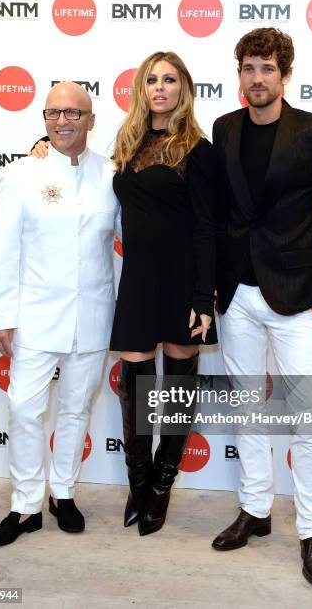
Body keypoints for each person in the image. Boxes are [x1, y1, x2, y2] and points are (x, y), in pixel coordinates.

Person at [211, 28, 312, 585]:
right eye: (248, 68)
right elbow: (214, 215)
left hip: (294, 296)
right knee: (247, 410)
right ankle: (255, 511)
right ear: (239, 75)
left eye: (267, 68)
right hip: (237, 297)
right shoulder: (224, 130)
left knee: (306, 419)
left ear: (285, 74)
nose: (257, 78)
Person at [0, 82, 120, 547]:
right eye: (54, 113)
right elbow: (2, 251)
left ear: (91, 120)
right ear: (44, 120)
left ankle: (62, 493)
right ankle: (25, 506)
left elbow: (135, 238)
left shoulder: (111, 175)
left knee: (77, 408)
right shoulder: (21, 175)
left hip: (95, 316)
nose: (62, 121)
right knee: (24, 408)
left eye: (74, 113)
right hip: (36, 315)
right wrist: (0, 316)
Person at [111, 51, 217, 536]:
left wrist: (202, 298)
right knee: (135, 383)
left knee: (176, 384)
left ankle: (161, 487)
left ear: (183, 89)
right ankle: (139, 482)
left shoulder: (197, 147)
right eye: (152, 79)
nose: (160, 87)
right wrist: (41, 145)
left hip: (181, 280)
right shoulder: (128, 142)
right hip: (136, 278)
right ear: (142, 89)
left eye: (170, 79)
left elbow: (205, 227)